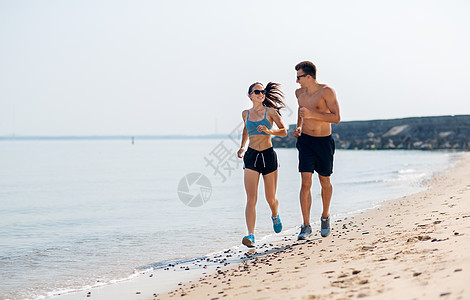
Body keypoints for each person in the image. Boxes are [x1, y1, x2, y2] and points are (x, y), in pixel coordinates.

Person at [293, 61, 341, 240]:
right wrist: (299, 126)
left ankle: (325, 216)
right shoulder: (299, 93)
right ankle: (305, 225)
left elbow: (336, 118)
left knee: (325, 180)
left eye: (299, 77)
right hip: (305, 141)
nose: (297, 81)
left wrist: (313, 115)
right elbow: (300, 111)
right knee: (305, 182)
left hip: (323, 142)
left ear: (308, 77)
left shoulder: (327, 91)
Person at [237, 82, 287, 248]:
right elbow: (246, 130)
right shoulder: (245, 113)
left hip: (268, 155)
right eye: (257, 91)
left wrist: (269, 131)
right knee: (251, 198)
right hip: (251, 156)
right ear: (250, 95)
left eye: (263, 91)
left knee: (270, 198)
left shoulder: (270, 112)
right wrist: (242, 147)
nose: (260, 94)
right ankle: (250, 235)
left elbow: (283, 131)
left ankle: (274, 214)